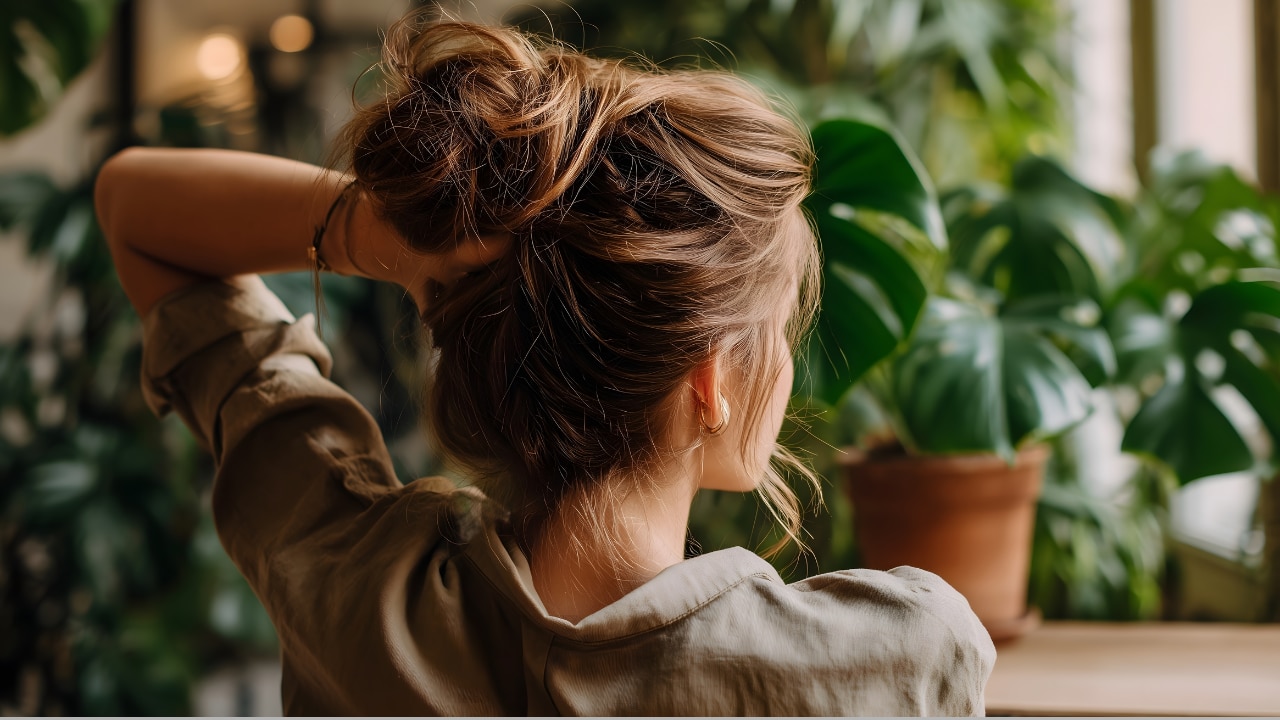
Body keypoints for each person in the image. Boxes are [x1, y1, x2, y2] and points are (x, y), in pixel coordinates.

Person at [95, 16, 995, 716]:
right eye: (779, 333)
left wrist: (407, 241)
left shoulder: (355, 588)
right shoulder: (896, 655)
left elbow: (133, 207)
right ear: (710, 380)